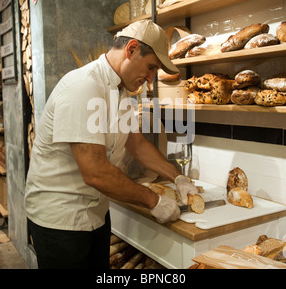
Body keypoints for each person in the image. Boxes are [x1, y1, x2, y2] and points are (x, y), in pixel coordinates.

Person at [24, 19, 198, 269]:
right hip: (60, 221)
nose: (150, 80)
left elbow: (136, 144)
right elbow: (95, 172)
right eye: (150, 68)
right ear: (132, 49)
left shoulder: (123, 93)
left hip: (95, 215)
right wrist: (154, 201)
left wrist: (178, 177)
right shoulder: (83, 87)